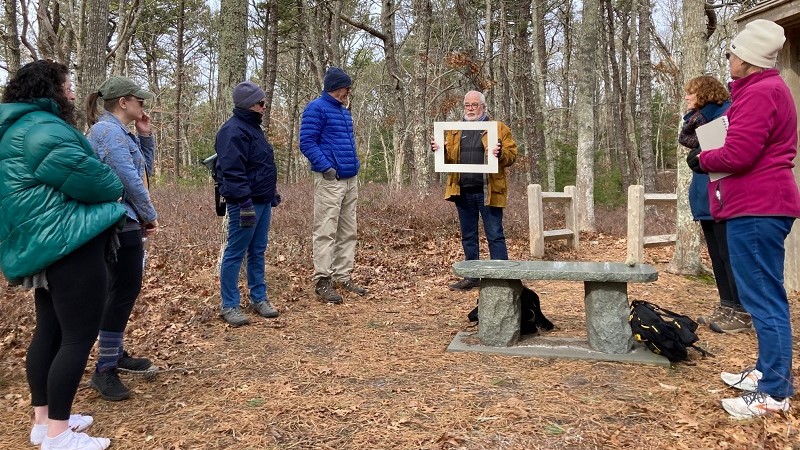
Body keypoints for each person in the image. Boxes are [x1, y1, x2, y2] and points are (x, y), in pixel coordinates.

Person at [0, 60, 126, 449]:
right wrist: (112, 183)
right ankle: (58, 434)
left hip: (44, 242)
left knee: (51, 330)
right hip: (67, 240)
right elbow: (96, 180)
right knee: (77, 335)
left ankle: (45, 421)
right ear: (48, 88)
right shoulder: (42, 130)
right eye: (67, 84)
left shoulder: (19, 128)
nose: (72, 91)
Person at [689, 19, 800, 419]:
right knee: (763, 296)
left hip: (757, 206)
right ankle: (768, 374)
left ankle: (773, 393)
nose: (729, 58)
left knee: (763, 299)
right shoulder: (760, 90)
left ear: (749, 58)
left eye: (732, 52)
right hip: (758, 205)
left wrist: (701, 159)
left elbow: (738, 154)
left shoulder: (761, 92)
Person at [84, 76, 159, 401]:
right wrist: (149, 214)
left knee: (120, 290)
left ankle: (115, 353)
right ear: (123, 102)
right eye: (138, 100)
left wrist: (145, 137)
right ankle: (104, 369)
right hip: (117, 223)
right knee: (122, 290)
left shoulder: (120, 133)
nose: (143, 105)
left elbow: (145, 172)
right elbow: (129, 180)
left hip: (125, 220)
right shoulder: (106, 132)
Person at [680, 76, 750, 334]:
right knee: (716, 255)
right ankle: (726, 304)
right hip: (704, 194)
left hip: (724, 194)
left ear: (704, 93)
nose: (687, 97)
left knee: (730, 254)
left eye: (691, 93)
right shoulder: (697, 120)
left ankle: (742, 310)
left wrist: (700, 157)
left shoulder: (725, 114)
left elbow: (726, 155)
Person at [430, 90, 518, 291]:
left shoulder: (498, 128)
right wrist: (439, 150)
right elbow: (449, 159)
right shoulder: (454, 130)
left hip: (489, 190)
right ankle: (472, 277)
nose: (470, 109)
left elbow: (512, 156)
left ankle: (501, 277)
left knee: (495, 234)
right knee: (468, 235)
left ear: (483, 107)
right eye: (467, 105)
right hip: (462, 190)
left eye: (474, 105)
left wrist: (500, 152)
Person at [214, 81, 281, 326]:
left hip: (262, 200)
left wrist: (271, 193)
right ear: (249, 104)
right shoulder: (232, 131)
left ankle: (259, 298)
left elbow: (260, 166)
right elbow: (232, 171)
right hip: (245, 203)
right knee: (235, 251)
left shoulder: (253, 129)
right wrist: (244, 203)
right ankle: (229, 305)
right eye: (261, 103)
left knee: (258, 250)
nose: (264, 107)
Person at [299, 67, 366, 304]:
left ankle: (342, 276)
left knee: (348, 231)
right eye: (347, 87)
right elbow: (306, 142)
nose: (349, 91)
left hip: (350, 179)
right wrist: (326, 167)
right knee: (326, 230)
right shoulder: (316, 108)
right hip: (330, 180)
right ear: (337, 87)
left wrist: (354, 165)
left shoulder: (343, 111)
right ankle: (322, 280)